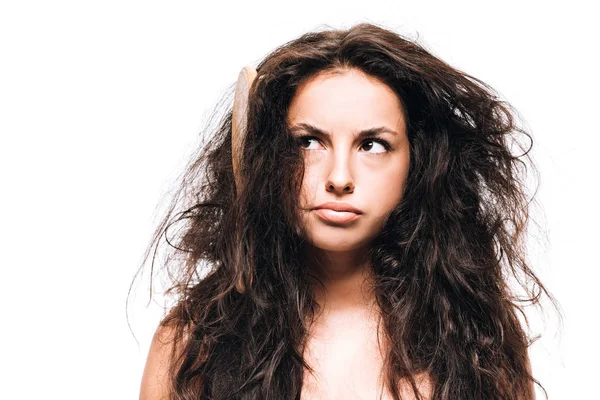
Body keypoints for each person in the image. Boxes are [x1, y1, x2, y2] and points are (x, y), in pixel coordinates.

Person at [138, 22, 551, 399]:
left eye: (372, 144)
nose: (339, 177)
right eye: (309, 142)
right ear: (266, 157)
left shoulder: (477, 339)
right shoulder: (193, 339)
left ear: (417, 164)